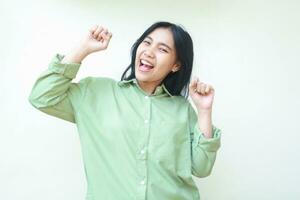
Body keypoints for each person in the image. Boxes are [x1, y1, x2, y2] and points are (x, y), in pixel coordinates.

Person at [28, 21, 221, 200]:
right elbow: (41, 96)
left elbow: (201, 167)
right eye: (147, 43)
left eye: (162, 49)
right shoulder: (95, 93)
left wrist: (204, 110)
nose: (149, 52)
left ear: (176, 65)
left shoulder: (182, 109)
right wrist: (83, 49)